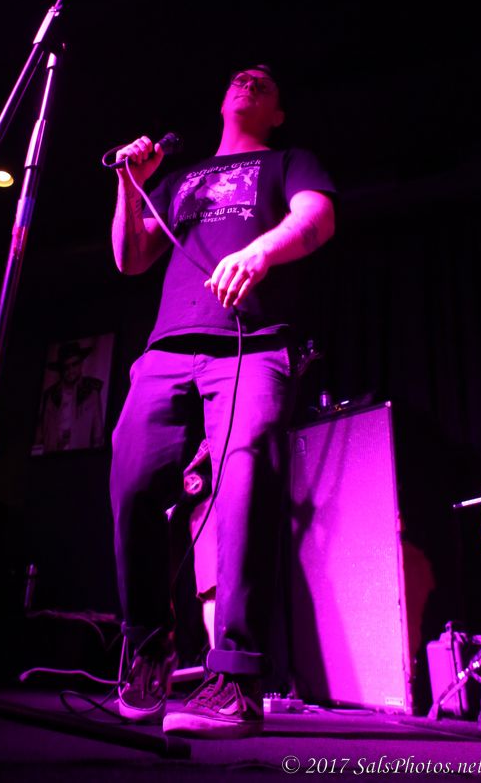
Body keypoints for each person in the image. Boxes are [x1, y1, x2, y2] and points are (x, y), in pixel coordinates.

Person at [110, 64, 336, 738]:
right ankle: (148, 647)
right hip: (166, 351)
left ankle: (236, 680)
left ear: (278, 113)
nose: (250, 80)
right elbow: (130, 258)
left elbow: (317, 216)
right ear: (221, 100)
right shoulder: (181, 178)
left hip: (251, 346)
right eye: (242, 76)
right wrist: (129, 183)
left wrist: (260, 252)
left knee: (243, 489)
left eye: (266, 81)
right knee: (132, 483)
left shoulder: (288, 161)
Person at [37, 341, 104, 452]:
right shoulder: (50, 396)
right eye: (66, 367)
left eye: (74, 364)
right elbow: (43, 433)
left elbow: (98, 433)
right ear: (61, 369)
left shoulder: (91, 393)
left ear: (81, 364)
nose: (70, 370)